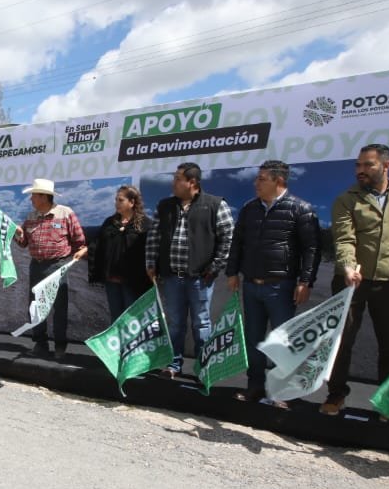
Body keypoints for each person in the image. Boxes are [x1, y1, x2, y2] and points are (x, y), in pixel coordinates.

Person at [319, 144, 389, 416]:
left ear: (386, 166)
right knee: (342, 341)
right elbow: (344, 238)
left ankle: (387, 403)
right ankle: (336, 395)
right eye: (358, 165)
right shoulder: (346, 199)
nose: (360, 170)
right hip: (351, 281)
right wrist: (349, 266)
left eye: (368, 165)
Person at [225, 160, 321, 407]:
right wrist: (232, 272)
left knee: (283, 342)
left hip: (282, 286)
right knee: (254, 339)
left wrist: (305, 281)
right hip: (251, 285)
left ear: (279, 181)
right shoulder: (249, 209)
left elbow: (311, 249)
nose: (256, 183)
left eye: (262, 179)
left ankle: (282, 393)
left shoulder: (300, 209)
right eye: (257, 178)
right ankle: (255, 387)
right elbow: (238, 243)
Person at [145, 162, 233, 378]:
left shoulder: (214, 204)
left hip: (200, 278)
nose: (173, 182)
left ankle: (204, 368)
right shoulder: (165, 206)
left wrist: (214, 267)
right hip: (171, 277)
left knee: (201, 323)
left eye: (177, 178)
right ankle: (173, 365)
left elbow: (228, 238)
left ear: (192, 182)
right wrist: (151, 263)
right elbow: (154, 237)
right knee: (175, 323)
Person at [14, 178, 88, 358]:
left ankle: (60, 346)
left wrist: (82, 251)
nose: (31, 199)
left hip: (58, 265)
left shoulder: (65, 213)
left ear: (43, 197)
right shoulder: (31, 217)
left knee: (58, 307)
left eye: (33, 195)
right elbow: (23, 243)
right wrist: (17, 233)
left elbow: (81, 242)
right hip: (36, 266)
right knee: (36, 306)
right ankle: (40, 344)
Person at [88, 185, 151, 324]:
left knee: (132, 318)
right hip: (112, 280)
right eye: (116, 200)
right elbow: (98, 243)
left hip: (133, 282)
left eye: (120, 200)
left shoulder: (145, 224)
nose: (116, 203)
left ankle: (133, 346)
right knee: (116, 318)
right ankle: (118, 346)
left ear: (132, 202)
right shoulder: (110, 222)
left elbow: (152, 250)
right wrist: (84, 250)